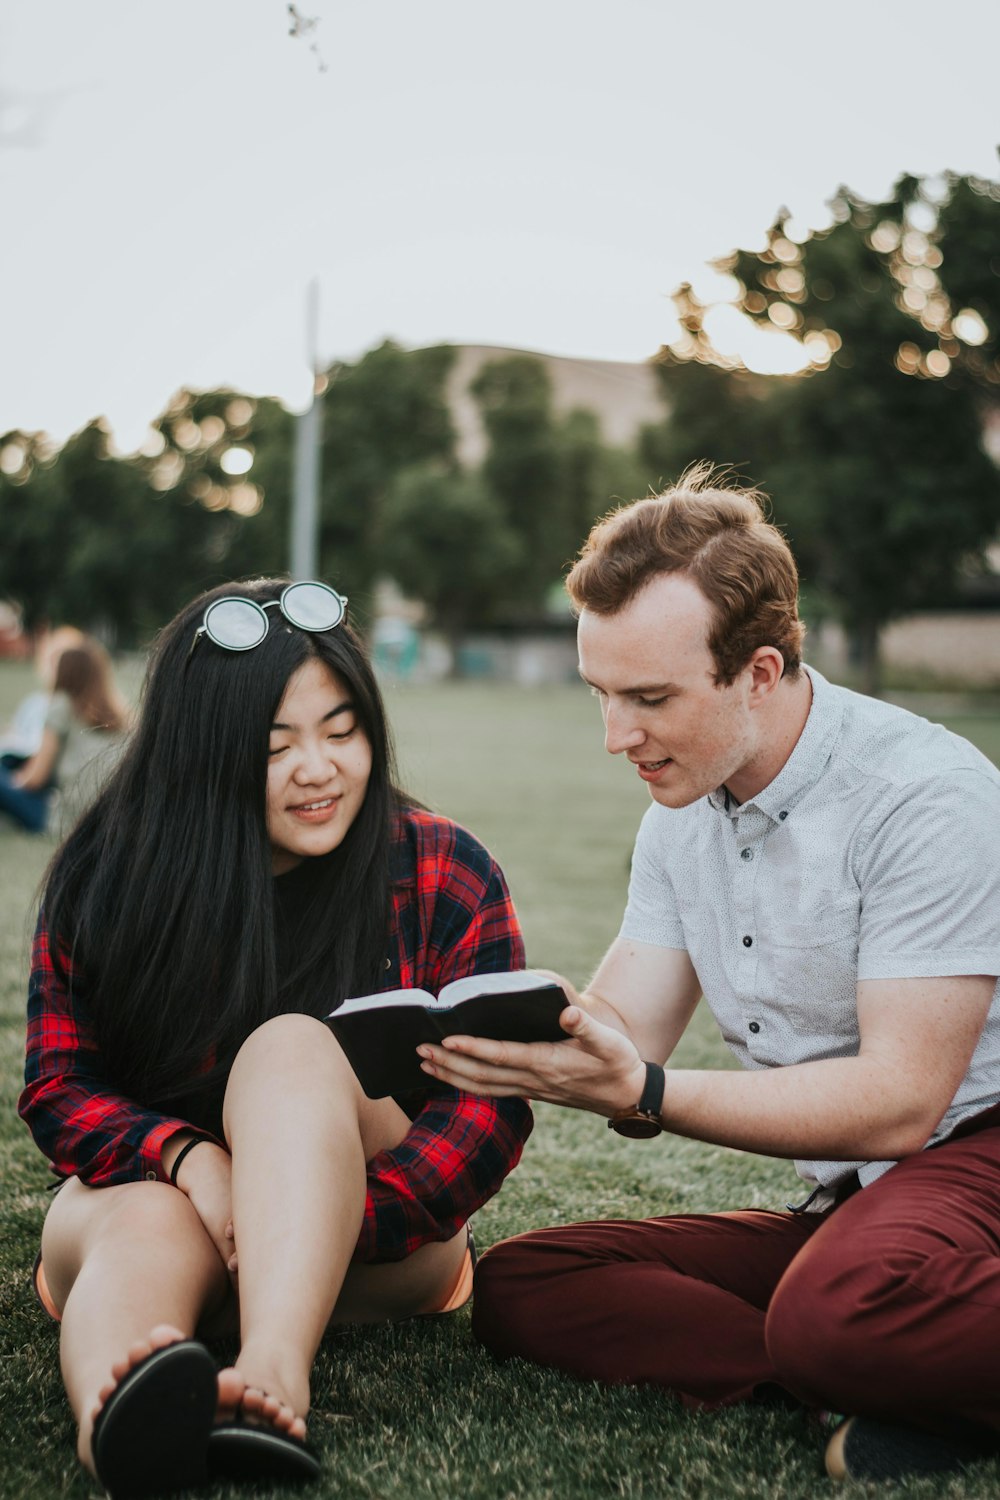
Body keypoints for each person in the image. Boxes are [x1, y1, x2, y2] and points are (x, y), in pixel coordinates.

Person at [417, 467, 1000, 1486]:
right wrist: (468, 1037)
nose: (616, 737)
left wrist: (642, 1090)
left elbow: (904, 1104)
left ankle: (859, 1348)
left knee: (837, 1308)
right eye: (601, 695)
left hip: (973, 1156)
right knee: (528, 1283)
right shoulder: (677, 818)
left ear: (760, 672)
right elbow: (618, 1038)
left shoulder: (927, 798)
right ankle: (873, 1377)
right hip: (863, 1209)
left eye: (649, 699)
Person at [19, 577, 532, 1497]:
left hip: (382, 1247)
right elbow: (59, 1087)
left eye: (343, 731)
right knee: (143, 1223)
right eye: (275, 745)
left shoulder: (444, 867)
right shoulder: (109, 877)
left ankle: (270, 1373)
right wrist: (183, 1159)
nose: (320, 768)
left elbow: (488, 1109)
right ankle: (122, 1432)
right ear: (201, 756)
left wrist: (300, 1224)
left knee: (295, 1049)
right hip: (157, 1219)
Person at [0, 632, 128, 834]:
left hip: (69, 820)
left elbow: (35, 779)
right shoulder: (121, 717)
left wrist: (10, 781)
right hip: (111, 817)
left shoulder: (62, 706)